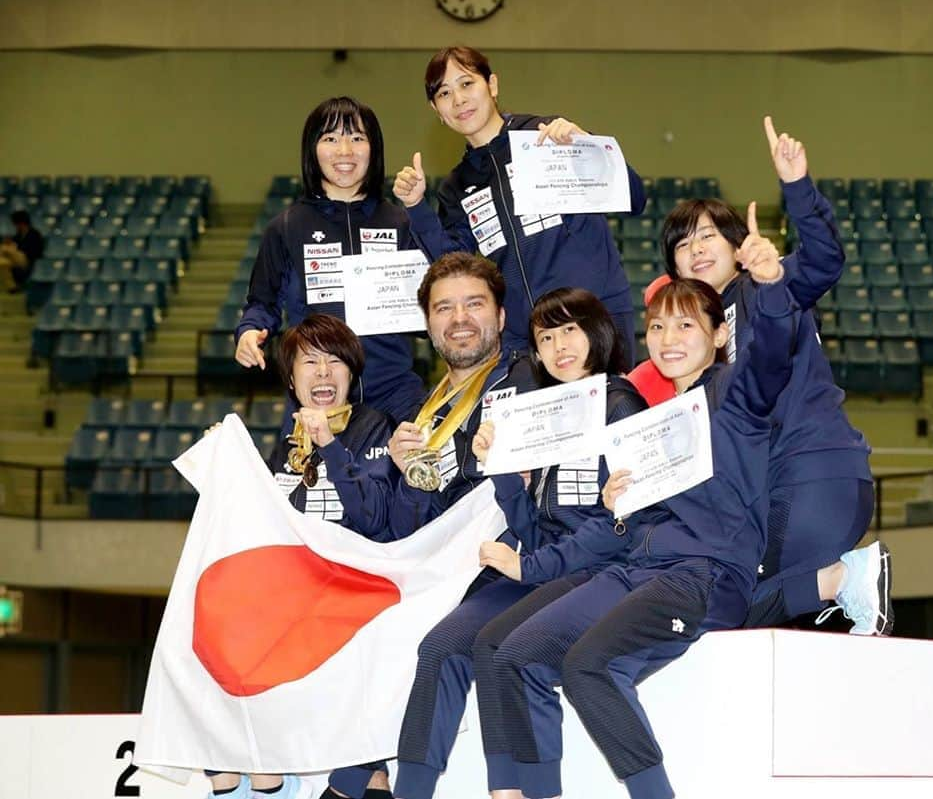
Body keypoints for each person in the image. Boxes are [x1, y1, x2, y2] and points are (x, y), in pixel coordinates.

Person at [491, 269, 801, 799]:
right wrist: (618, 508)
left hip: (704, 573)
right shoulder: (655, 421)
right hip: (640, 567)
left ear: (721, 333)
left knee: (588, 666)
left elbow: (772, 354)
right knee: (517, 654)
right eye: (657, 327)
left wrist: (771, 287)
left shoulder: (734, 394)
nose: (669, 338)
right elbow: (634, 526)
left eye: (686, 325)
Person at [628, 116, 891, 636]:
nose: (696, 249)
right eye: (682, 245)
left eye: (708, 237)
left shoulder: (764, 287)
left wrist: (796, 186)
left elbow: (823, 261)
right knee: (727, 606)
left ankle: (847, 578)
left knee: (720, 600)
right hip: (778, 488)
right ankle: (841, 585)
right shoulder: (695, 340)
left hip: (811, 474)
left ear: (738, 247)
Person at [391, 288, 649, 799]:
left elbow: (618, 527)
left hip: (594, 569)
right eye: (545, 338)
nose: (559, 347)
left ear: (597, 333)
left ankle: (516, 791)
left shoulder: (622, 407)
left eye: (570, 330)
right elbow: (532, 526)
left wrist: (528, 567)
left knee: (496, 646)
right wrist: (502, 467)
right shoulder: (548, 411)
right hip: (541, 563)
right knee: (439, 647)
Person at [322, 251, 536, 799]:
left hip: (514, 566)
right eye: (444, 308)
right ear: (428, 325)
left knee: (432, 644)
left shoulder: (531, 378)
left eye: (473, 304)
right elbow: (403, 527)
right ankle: (362, 781)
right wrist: (400, 470)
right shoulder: (423, 412)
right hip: (446, 570)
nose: (459, 319)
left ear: (502, 317)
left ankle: (361, 787)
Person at [208, 313, 398, 799]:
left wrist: (331, 447)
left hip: (354, 596)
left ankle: (269, 774)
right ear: (291, 378)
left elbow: (374, 519)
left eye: (335, 362)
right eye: (309, 362)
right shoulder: (286, 445)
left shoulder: (376, 429)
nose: (322, 373)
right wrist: (226, 471)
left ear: (353, 375)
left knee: (368, 768)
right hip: (292, 596)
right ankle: (255, 775)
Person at [392, 46, 646, 362]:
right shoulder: (455, 187)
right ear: (437, 110)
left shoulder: (547, 136)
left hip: (594, 319)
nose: (458, 99)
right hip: (523, 342)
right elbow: (453, 267)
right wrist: (416, 206)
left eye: (467, 84)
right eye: (444, 93)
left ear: (492, 85)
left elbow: (635, 200)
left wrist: (589, 149)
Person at [236, 96, 425, 425]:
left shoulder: (401, 222)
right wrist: (250, 331)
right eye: (331, 138)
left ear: (374, 148)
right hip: (317, 397)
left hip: (396, 396)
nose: (345, 151)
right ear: (312, 149)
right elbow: (261, 303)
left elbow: (430, 303)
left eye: (357, 138)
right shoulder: (286, 227)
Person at [0, 210, 45, 292]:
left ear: (21, 223)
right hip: (16, 259)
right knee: (2, 263)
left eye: (16, 224)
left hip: (27, 260)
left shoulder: (34, 234)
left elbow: (36, 252)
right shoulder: (18, 235)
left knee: (5, 249)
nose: (15, 226)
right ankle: (12, 287)